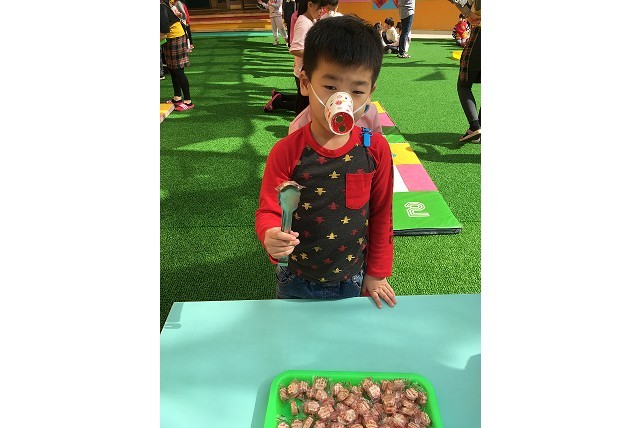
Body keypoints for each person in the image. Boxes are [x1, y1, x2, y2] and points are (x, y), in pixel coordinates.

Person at [256, 15, 396, 309]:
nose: (343, 101)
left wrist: (376, 273)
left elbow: (382, 213)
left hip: (353, 277)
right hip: (294, 277)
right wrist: (270, 234)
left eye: (357, 91)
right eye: (330, 87)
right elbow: (270, 209)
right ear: (306, 83)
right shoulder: (286, 151)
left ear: (370, 92)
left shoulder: (375, 149)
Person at [264, 0, 326, 114]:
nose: (322, 11)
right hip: (303, 71)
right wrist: (316, 55)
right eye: (320, 8)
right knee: (304, 108)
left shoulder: (310, 20)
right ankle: (277, 103)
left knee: (305, 104)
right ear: (310, 4)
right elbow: (295, 49)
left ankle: (279, 98)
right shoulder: (303, 22)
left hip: (307, 71)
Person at [448, 0, 481, 142]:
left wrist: (468, 12)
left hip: (480, 34)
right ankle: (480, 127)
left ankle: (475, 127)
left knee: (464, 84)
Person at [160, 0, 193, 111]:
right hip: (168, 38)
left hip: (176, 37)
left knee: (178, 70)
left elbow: (164, 29)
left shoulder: (160, 6)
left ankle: (188, 101)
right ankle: (177, 97)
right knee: (172, 69)